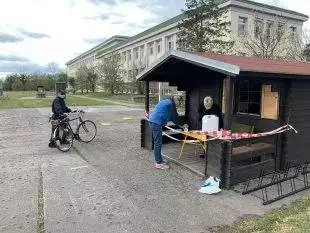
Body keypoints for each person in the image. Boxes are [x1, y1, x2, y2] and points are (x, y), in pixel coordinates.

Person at [148, 96, 182, 170]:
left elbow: (169, 116)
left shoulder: (166, 101)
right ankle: (159, 163)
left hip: (153, 120)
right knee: (158, 143)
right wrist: (181, 125)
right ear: (176, 100)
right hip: (156, 122)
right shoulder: (171, 104)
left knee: (158, 142)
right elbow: (175, 117)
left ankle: (159, 160)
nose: (178, 105)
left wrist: (178, 123)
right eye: (179, 103)